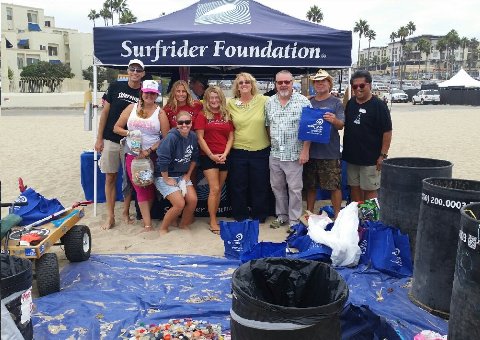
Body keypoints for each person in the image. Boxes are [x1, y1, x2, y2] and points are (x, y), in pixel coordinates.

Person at [113, 80, 169, 231]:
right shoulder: (131, 108)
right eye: (147, 92)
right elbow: (116, 128)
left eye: (152, 93)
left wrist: (149, 150)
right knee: (140, 187)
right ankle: (147, 224)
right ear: (142, 93)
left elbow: (165, 138)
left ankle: (146, 218)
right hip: (133, 154)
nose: (149, 95)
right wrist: (130, 133)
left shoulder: (160, 113)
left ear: (156, 95)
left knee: (149, 188)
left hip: (151, 156)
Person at [95, 59, 144, 230]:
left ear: (143, 73)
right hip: (110, 138)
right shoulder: (115, 87)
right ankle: (110, 216)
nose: (135, 72)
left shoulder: (145, 92)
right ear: (128, 71)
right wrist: (99, 138)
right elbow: (105, 113)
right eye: (133, 69)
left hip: (132, 141)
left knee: (130, 179)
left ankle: (125, 212)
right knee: (110, 177)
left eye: (139, 70)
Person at [265, 70, 311, 228]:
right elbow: (267, 125)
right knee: (277, 187)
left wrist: (305, 150)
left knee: (295, 189)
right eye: (280, 82)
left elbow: (309, 129)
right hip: (276, 154)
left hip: (295, 154)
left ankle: (294, 221)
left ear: (292, 82)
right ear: (275, 84)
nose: (283, 85)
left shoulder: (303, 102)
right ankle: (282, 215)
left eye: (287, 82)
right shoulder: (269, 102)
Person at [342, 70, 392, 201]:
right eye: (355, 86)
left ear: (369, 85)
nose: (358, 89)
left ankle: (371, 220)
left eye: (362, 85)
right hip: (351, 157)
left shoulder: (379, 106)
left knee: (370, 190)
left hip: (371, 158)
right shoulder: (351, 103)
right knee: (354, 188)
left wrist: (383, 155)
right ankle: (358, 217)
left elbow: (387, 132)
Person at [227, 72, 270, 223]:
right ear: (237, 87)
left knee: (260, 185)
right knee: (238, 186)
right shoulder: (230, 103)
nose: (244, 85)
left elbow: (283, 101)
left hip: (261, 151)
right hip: (238, 151)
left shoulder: (264, 100)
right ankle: (240, 215)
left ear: (252, 85)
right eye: (240, 83)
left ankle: (259, 215)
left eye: (247, 82)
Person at [194, 86, 234, 234]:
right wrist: (211, 155)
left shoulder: (226, 114)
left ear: (221, 98)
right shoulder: (202, 115)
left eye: (217, 97)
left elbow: (231, 137)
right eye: (211, 98)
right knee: (215, 189)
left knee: (218, 190)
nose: (214, 100)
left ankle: (215, 217)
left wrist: (225, 153)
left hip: (224, 156)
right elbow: (200, 137)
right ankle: (212, 220)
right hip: (208, 157)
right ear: (207, 99)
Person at [305, 69, 345, 218]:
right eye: (317, 81)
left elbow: (341, 125)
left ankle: (337, 215)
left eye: (323, 81)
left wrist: (334, 120)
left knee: (334, 186)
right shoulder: (308, 102)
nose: (320, 84)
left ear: (329, 83)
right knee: (310, 186)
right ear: (314, 84)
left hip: (330, 152)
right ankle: (309, 213)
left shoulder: (336, 103)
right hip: (311, 152)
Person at [154, 111, 199, 235]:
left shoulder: (193, 136)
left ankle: (183, 224)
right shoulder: (171, 137)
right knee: (179, 204)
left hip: (182, 175)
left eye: (187, 122)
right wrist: (166, 178)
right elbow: (162, 159)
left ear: (191, 122)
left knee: (193, 200)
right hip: (164, 175)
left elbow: (194, 158)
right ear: (176, 124)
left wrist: (188, 175)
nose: (184, 125)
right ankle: (163, 228)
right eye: (181, 122)